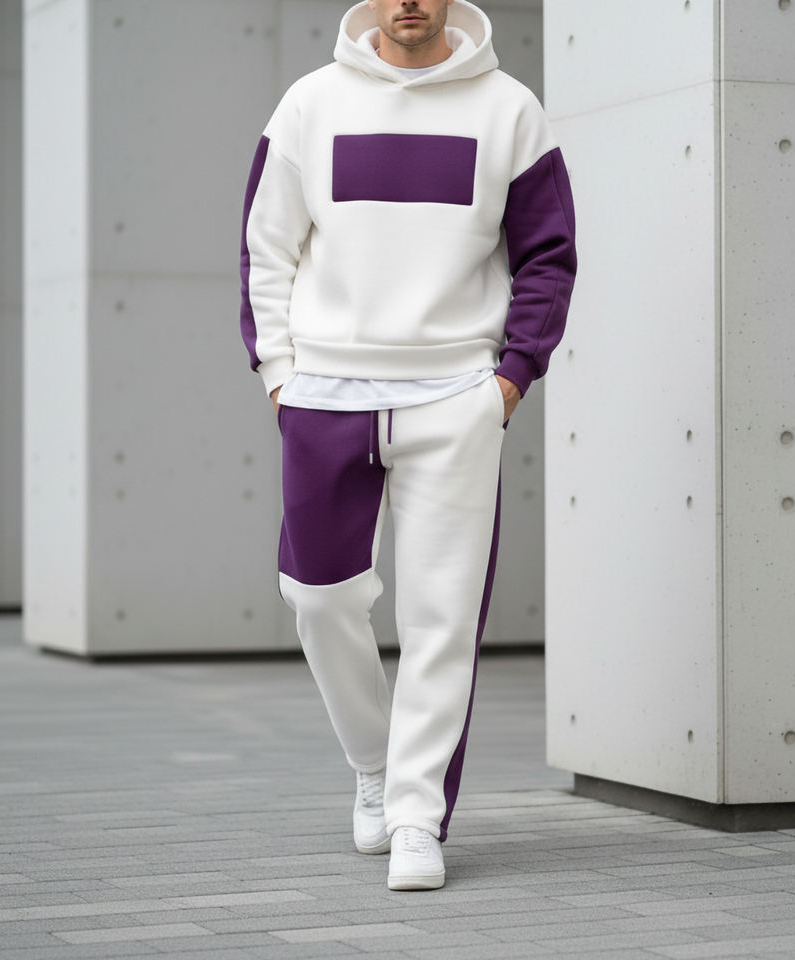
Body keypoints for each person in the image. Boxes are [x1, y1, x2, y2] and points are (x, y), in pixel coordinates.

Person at [239, 0, 576, 891]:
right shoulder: (310, 103)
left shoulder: (509, 109)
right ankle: (373, 764)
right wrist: (280, 376)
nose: (408, 3)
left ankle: (418, 816)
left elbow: (548, 256)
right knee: (317, 597)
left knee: (442, 619)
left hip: (455, 396)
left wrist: (509, 380)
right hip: (325, 394)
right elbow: (266, 249)